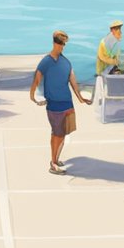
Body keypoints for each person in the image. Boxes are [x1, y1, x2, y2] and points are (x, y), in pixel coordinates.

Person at [30, 30, 92, 175]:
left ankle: (56, 159)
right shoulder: (46, 61)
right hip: (54, 104)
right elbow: (37, 79)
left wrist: (81, 98)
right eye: (59, 43)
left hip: (67, 103)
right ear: (54, 42)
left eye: (63, 44)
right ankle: (53, 163)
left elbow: (73, 82)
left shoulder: (66, 62)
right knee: (57, 133)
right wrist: (32, 96)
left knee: (63, 134)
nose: (61, 46)